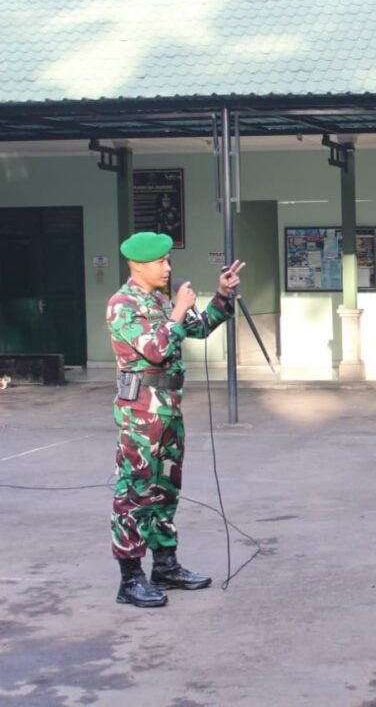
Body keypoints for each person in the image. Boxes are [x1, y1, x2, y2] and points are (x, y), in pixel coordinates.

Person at [107, 231, 245, 608]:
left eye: (169, 260)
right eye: (161, 262)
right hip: (141, 415)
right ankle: (130, 579)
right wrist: (179, 311)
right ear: (138, 265)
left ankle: (165, 565)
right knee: (135, 493)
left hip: (168, 408)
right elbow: (154, 350)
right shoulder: (123, 305)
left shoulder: (158, 300)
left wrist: (221, 296)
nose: (168, 268)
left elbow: (197, 328)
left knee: (166, 489)